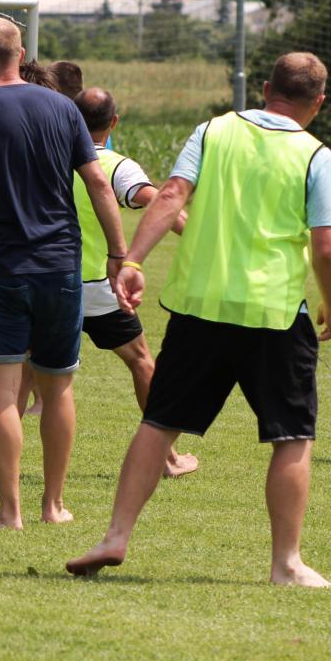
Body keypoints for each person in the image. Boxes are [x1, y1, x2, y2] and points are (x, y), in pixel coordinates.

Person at [67, 52, 331, 587]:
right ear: (319, 102)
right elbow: (327, 246)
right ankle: (286, 564)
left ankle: (115, 536)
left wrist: (133, 262)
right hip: (273, 313)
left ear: (265, 88)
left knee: (158, 422)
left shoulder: (213, 131)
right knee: (292, 437)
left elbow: (172, 195)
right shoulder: (316, 155)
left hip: (200, 307)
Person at [0, 17, 129, 530]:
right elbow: (99, 184)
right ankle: (53, 506)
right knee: (58, 390)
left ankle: (9, 512)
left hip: (1, 271)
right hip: (60, 268)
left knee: (1, 396)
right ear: (21, 55)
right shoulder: (64, 108)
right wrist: (118, 253)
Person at [71, 87, 196, 478]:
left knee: (20, 367)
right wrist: (199, 239)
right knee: (141, 361)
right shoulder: (115, 166)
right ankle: (167, 458)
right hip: (100, 287)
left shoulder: (49, 156)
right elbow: (159, 202)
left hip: (47, 282)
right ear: (114, 122)